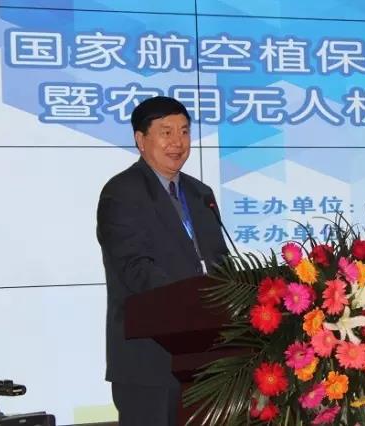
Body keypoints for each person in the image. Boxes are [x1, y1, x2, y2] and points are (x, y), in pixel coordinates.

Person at [96, 96, 229, 426]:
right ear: (141, 140)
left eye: (184, 131)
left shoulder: (201, 194)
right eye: (166, 132)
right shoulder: (121, 192)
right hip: (149, 360)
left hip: (206, 358)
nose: (178, 142)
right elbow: (134, 267)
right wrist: (193, 301)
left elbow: (219, 262)